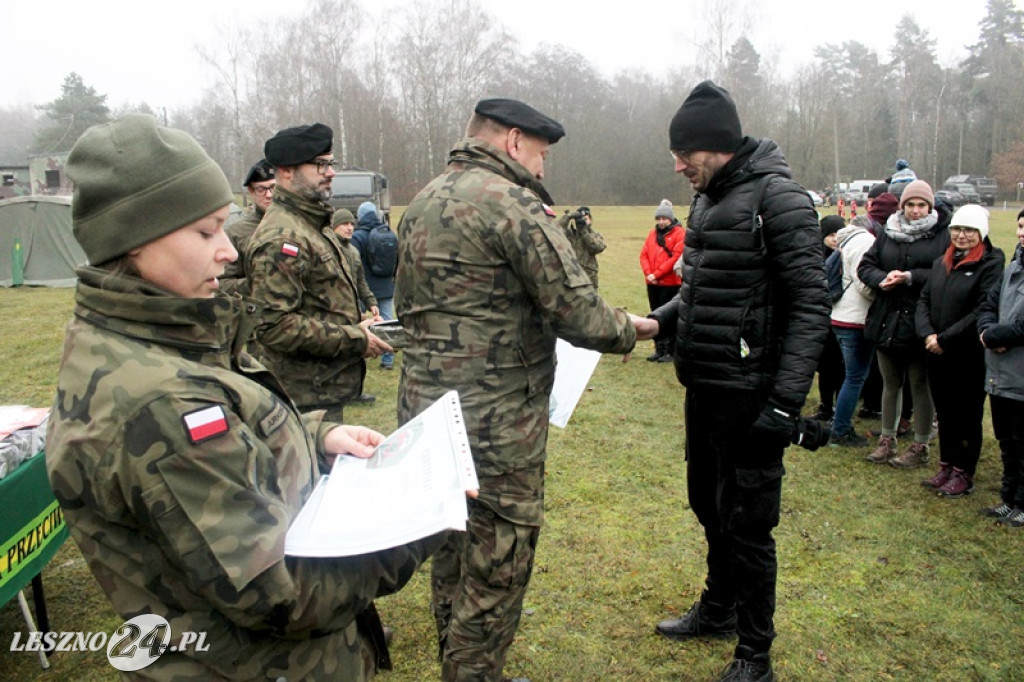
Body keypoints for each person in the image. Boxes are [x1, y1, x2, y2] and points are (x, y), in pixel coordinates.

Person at [45, 114, 442, 681]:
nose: (229, 251)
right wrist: (418, 515)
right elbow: (284, 596)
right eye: (205, 233)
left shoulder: (151, 337)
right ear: (135, 240)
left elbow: (230, 429)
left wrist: (315, 434)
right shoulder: (162, 405)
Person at [395, 97, 648, 682]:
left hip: (427, 410)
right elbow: (580, 313)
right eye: (541, 154)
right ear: (512, 142)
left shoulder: (424, 201)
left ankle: (457, 663)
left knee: (452, 547)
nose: (542, 168)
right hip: (496, 420)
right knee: (499, 559)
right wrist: (634, 328)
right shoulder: (514, 206)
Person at [646, 81, 830, 682]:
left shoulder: (780, 199)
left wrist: (783, 403)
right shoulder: (706, 200)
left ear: (717, 145)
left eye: (684, 154)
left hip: (754, 396)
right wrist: (656, 322)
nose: (678, 166)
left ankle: (756, 652)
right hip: (705, 387)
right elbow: (699, 290)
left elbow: (810, 304)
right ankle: (719, 608)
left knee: (750, 525)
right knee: (708, 503)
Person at [246, 123, 391, 420]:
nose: (331, 172)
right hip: (302, 400)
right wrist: (354, 338)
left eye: (331, 163)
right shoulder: (283, 236)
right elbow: (274, 326)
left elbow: (318, 300)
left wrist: (358, 323)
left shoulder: (312, 223)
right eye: (320, 165)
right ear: (286, 171)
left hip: (320, 390)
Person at [858, 179, 951, 467]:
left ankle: (920, 445)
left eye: (921, 205)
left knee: (919, 384)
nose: (915, 210)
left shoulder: (942, 236)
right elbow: (866, 265)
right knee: (890, 382)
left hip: (920, 319)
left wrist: (909, 277)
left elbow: (944, 271)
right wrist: (881, 279)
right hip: (887, 317)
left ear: (930, 206)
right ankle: (888, 440)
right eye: (910, 204)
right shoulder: (888, 232)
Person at [916, 204, 1004, 496]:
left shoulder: (990, 264)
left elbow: (981, 310)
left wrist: (945, 339)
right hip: (936, 352)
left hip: (967, 356)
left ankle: (964, 472)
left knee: (966, 415)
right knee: (945, 412)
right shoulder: (943, 261)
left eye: (969, 230)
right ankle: (946, 465)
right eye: (956, 229)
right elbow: (924, 299)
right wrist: (928, 333)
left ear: (981, 233)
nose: (961, 235)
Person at [976, 207, 1024, 526]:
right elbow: (988, 304)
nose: (1021, 233)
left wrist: (997, 334)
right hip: (1001, 372)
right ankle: (1009, 499)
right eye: (1020, 226)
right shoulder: (1012, 268)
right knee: (1007, 440)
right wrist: (987, 332)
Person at [827, 215, 877, 446]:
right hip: (855, 318)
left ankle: (839, 421)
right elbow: (863, 283)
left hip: (839, 315)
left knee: (850, 375)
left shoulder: (845, 241)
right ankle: (841, 430)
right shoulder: (864, 243)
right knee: (855, 377)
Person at [352, 201, 398, 370]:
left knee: (357, 322)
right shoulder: (388, 233)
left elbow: (353, 262)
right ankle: (388, 359)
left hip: (364, 289)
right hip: (386, 287)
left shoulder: (357, 237)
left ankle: (358, 356)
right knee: (386, 323)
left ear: (360, 216)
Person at [220, 158, 275, 295]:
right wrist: (257, 283)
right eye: (261, 189)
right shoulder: (236, 233)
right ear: (251, 191)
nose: (268, 195)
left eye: (273, 188)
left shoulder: (301, 222)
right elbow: (222, 283)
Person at [640, 199, 684, 362]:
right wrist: (648, 274)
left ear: (670, 218)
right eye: (658, 218)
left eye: (664, 218)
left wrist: (656, 274)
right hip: (652, 283)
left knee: (670, 318)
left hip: (670, 283)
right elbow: (643, 254)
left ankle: (671, 350)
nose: (661, 221)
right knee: (656, 315)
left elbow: (676, 258)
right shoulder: (652, 234)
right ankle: (659, 348)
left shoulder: (679, 234)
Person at [813, 215, 846, 422]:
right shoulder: (816, 258)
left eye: (838, 235)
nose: (835, 239)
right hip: (823, 318)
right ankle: (826, 405)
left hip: (841, 317)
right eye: (831, 235)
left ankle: (839, 405)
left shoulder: (846, 257)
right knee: (825, 366)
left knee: (841, 366)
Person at [557, 205, 606, 287]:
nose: (583, 221)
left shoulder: (595, 235)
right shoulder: (570, 234)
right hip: (572, 276)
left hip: (589, 277)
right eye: (581, 220)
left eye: (586, 219)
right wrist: (568, 217)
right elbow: (556, 230)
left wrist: (584, 231)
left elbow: (597, 248)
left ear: (590, 220)